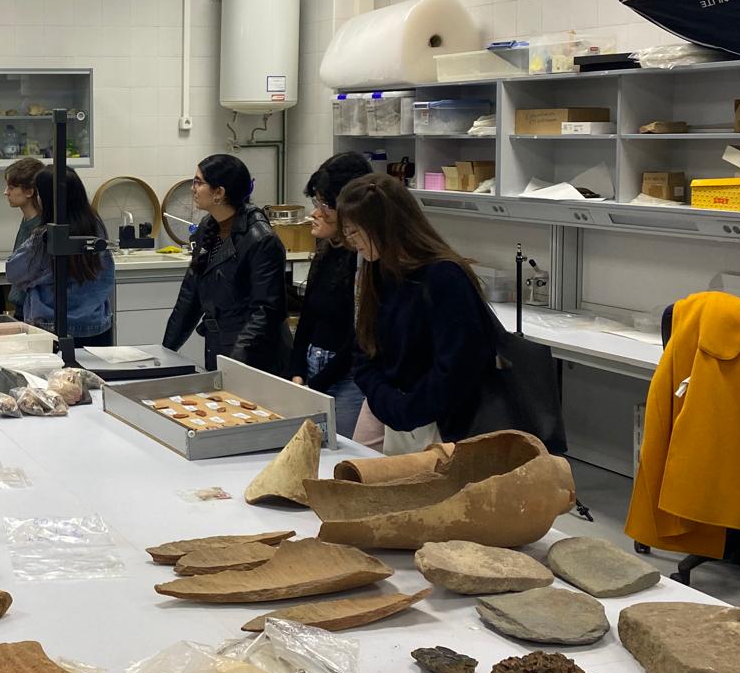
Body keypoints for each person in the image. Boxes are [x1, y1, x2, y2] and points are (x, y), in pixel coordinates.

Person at [337, 173, 496, 451]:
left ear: (383, 226)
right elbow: (364, 351)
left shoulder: (444, 276)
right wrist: (386, 402)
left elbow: (458, 368)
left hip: (441, 424)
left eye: (354, 231)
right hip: (397, 417)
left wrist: (407, 410)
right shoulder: (379, 270)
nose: (352, 242)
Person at [162, 154, 289, 375]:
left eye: (198, 182)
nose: (193, 188)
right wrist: (165, 353)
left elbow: (265, 311)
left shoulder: (260, 238)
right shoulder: (208, 227)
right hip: (218, 343)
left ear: (219, 193)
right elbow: (189, 297)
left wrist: (236, 362)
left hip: (255, 355)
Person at [290, 152, 373, 439]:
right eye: (316, 202)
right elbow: (308, 315)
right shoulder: (327, 249)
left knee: (342, 458)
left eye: (324, 204)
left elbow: (359, 337)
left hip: (347, 378)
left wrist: (318, 384)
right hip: (315, 370)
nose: (315, 212)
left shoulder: (366, 261)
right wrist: (298, 370)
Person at [5, 165, 115, 346]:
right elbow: (106, 274)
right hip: (95, 325)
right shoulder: (96, 226)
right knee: (93, 373)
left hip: (52, 327)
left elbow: (14, 272)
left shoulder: (46, 235)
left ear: (47, 199)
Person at [3, 157, 45, 315]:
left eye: (11, 188)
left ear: (29, 192)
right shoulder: (27, 220)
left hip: (33, 309)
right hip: (22, 306)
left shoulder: (39, 227)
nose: (6, 192)